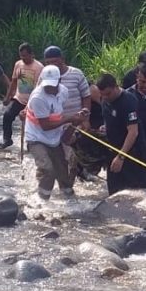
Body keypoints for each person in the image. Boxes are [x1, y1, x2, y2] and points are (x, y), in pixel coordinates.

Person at [24, 65, 89, 200]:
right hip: (37, 138)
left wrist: (75, 120)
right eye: (47, 85)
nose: (50, 88)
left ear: (59, 81)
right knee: (48, 169)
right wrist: (70, 119)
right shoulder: (38, 97)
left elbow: (58, 114)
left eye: (53, 85)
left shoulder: (63, 92)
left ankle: (68, 195)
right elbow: (45, 125)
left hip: (54, 137)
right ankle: (42, 200)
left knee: (63, 169)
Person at [42, 46, 92, 180]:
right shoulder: (45, 76)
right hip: (55, 125)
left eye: (55, 61)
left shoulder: (76, 74)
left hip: (75, 123)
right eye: (48, 63)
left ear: (62, 60)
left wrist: (85, 118)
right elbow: (38, 97)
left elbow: (86, 96)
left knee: (73, 158)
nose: (51, 65)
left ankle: (72, 185)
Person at [96, 73, 146, 195]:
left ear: (116, 87)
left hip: (132, 152)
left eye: (108, 94)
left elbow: (133, 132)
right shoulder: (104, 99)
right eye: (102, 94)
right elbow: (109, 117)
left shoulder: (128, 101)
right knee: (115, 192)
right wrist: (106, 126)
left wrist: (121, 156)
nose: (105, 97)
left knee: (137, 191)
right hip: (113, 149)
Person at [0, 42, 43, 150]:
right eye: (21, 56)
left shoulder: (39, 67)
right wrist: (8, 96)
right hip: (19, 98)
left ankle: (31, 143)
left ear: (31, 54)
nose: (23, 58)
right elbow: (14, 81)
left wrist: (31, 105)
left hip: (32, 101)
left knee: (30, 123)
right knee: (7, 115)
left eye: (25, 55)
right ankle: (7, 139)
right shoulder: (18, 64)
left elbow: (39, 87)